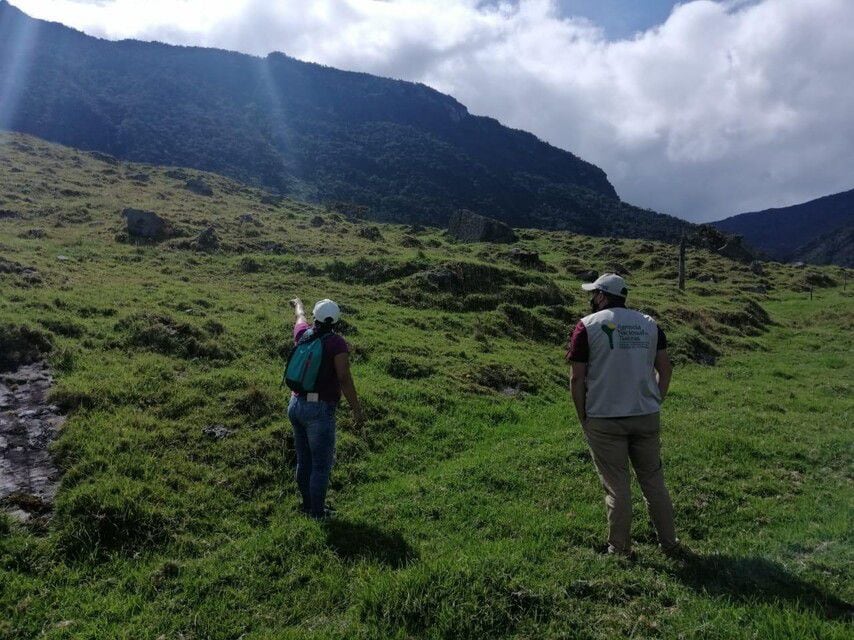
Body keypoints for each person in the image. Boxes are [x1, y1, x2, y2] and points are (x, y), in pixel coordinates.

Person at [566, 273, 684, 557]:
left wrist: (583, 414)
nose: (591, 299)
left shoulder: (587, 326)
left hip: (604, 417)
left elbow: (577, 379)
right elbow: (665, 369)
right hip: (645, 415)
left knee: (617, 485)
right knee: (653, 480)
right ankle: (670, 543)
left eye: (593, 294)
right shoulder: (649, 325)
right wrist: (656, 399)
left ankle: (619, 548)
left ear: (603, 296)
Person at [287, 297, 363, 520]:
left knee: (304, 460)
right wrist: (356, 410)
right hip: (319, 412)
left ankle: (307, 507)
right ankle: (318, 514)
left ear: (315, 317)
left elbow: (299, 316)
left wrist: (298, 303)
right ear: (337, 320)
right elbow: (344, 378)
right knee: (320, 465)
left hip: (296, 405)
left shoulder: (303, 334)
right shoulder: (337, 343)